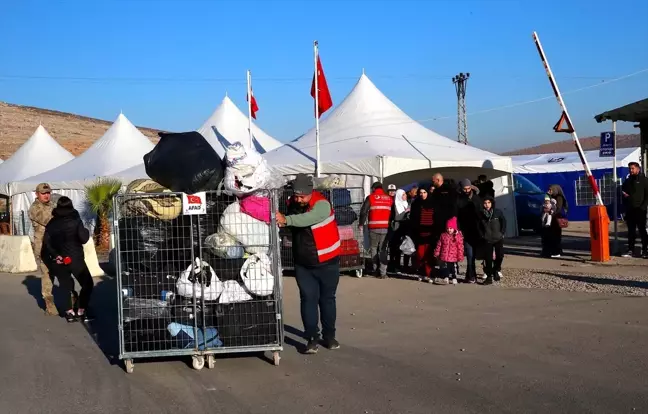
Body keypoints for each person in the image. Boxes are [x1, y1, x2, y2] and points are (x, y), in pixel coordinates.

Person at [276, 174, 341, 354]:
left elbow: (308, 219)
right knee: (308, 299)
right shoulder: (292, 204)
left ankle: (329, 336)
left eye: (302, 196)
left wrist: (286, 220)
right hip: (304, 262)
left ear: (310, 192)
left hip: (327, 261)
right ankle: (312, 338)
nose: (298, 199)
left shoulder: (322, 205)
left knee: (327, 299)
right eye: (296, 196)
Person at [42, 197, 93, 322]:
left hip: (59, 260)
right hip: (76, 258)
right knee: (87, 283)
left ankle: (69, 312)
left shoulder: (51, 223)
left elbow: (47, 243)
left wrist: (56, 255)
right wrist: (86, 230)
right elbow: (84, 238)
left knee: (66, 286)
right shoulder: (75, 220)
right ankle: (81, 309)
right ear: (71, 206)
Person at [28, 183, 58, 315]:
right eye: (43, 193)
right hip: (43, 247)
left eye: (48, 193)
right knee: (47, 274)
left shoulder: (53, 205)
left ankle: (73, 302)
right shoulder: (35, 208)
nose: (46, 195)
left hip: (57, 245)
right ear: (37, 194)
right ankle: (49, 304)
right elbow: (49, 221)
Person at [359, 182, 393, 278]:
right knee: (383, 250)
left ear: (374, 188)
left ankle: (375, 270)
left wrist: (361, 223)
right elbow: (392, 213)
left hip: (373, 227)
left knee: (373, 248)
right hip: (386, 228)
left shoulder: (371, 197)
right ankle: (383, 272)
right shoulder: (389, 198)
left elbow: (364, 211)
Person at [430, 173, 457, 278]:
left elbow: (453, 206)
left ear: (438, 180)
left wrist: (452, 223)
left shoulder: (449, 190)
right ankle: (442, 270)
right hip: (438, 223)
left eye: (433, 181)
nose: (432, 183)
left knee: (450, 247)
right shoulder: (436, 191)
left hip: (447, 223)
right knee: (441, 247)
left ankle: (452, 271)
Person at [456, 178, 482, 283]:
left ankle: (470, 274)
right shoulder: (459, 200)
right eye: (465, 189)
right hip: (466, 230)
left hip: (476, 230)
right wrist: (459, 229)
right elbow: (457, 215)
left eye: (468, 188)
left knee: (474, 255)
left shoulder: (476, 199)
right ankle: (471, 275)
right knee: (470, 254)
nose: (467, 190)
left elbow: (480, 214)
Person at [621, 162, 648, 258]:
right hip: (630, 210)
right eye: (630, 169)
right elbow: (623, 190)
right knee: (631, 231)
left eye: (632, 168)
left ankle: (645, 250)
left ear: (638, 169)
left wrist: (643, 207)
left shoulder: (644, 180)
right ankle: (630, 250)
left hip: (640, 210)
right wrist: (625, 196)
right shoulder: (628, 181)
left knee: (642, 231)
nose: (631, 170)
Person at [477, 195, 506, 285]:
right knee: (488, 259)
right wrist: (482, 235)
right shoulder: (480, 214)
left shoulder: (497, 212)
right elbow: (478, 226)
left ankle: (496, 270)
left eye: (489, 203)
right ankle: (489, 277)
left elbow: (503, 222)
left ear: (492, 203)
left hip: (498, 238)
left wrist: (502, 233)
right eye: (485, 203)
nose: (487, 205)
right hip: (487, 239)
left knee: (500, 255)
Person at [409, 187, 435, 282]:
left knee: (429, 255)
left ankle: (430, 274)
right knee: (420, 254)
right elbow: (413, 218)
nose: (422, 194)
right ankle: (421, 273)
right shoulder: (416, 203)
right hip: (419, 233)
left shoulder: (433, 203)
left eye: (424, 192)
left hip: (430, 233)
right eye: (420, 192)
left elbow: (436, 217)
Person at [433, 217, 464, 285]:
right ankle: (446, 277)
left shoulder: (457, 236)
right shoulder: (443, 235)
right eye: (448, 228)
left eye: (451, 228)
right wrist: (437, 252)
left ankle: (454, 277)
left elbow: (460, 247)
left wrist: (460, 256)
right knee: (446, 266)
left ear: (454, 228)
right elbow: (439, 245)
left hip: (453, 256)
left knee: (452, 267)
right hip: (445, 255)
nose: (449, 230)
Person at [386, 189, 410, 273]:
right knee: (394, 248)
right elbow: (396, 217)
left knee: (401, 248)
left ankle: (399, 265)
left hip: (404, 228)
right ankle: (393, 266)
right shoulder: (395, 205)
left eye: (405, 194)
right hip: (396, 229)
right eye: (403, 195)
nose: (405, 196)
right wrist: (405, 212)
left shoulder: (406, 204)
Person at [546, 184, 568, 258]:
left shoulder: (559, 197)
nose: (549, 191)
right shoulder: (550, 197)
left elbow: (558, 209)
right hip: (552, 219)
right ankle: (553, 251)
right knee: (552, 236)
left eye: (551, 190)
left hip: (556, 219)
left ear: (555, 190)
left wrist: (551, 212)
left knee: (556, 236)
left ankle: (557, 252)